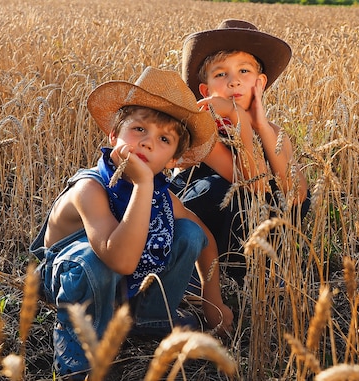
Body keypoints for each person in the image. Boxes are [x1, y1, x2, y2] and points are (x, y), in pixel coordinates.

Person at [29, 67, 233, 379]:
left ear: (172, 161)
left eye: (163, 139)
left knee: (187, 232)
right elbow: (120, 259)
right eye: (139, 129)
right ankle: (79, 356)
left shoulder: (161, 194)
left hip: (122, 280)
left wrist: (212, 303)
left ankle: (151, 318)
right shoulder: (90, 189)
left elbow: (205, 239)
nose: (148, 143)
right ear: (114, 136)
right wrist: (142, 186)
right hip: (73, 281)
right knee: (93, 260)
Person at [171, 19, 310, 283]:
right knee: (222, 189)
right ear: (205, 90)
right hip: (198, 222)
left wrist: (259, 125)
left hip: (246, 230)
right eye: (221, 74)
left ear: (260, 83)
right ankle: (198, 273)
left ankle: (256, 269)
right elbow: (252, 183)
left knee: (290, 197)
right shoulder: (201, 131)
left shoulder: (274, 133)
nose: (233, 82)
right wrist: (239, 119)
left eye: (244, 72)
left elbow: (296, 196)